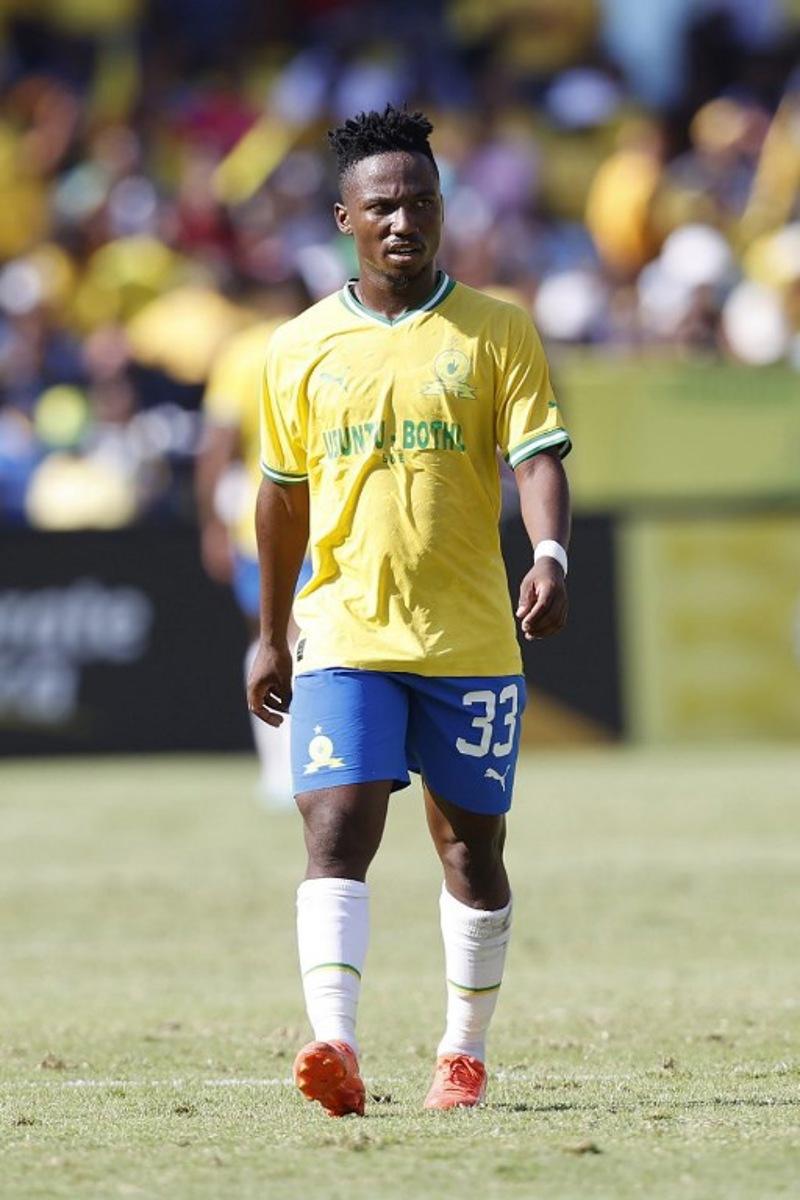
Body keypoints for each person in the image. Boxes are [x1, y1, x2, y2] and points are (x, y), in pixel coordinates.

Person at [247, 105, 571, 1115]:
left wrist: (549, 552)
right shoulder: (296, 349)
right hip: (343, 631)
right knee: (336, 828)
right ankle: (334, 1049)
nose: (403, 220)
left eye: (420, 202)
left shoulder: (497, 329)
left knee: (469, 848)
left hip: (468, 637)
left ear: (442, 211)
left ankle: (460, 1053)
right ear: (344, 217)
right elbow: (280, 496)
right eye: (381, 205)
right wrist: (267, 633)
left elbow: (537, 458)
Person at [197, 296, 312, 805]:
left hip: (261, 520)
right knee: (314, 639)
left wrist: (211, 524)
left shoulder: (242, 351)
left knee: (267, 635)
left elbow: (216, 448)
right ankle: (312, 761)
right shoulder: (324, 337)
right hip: (330, 514)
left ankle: (278, 770)